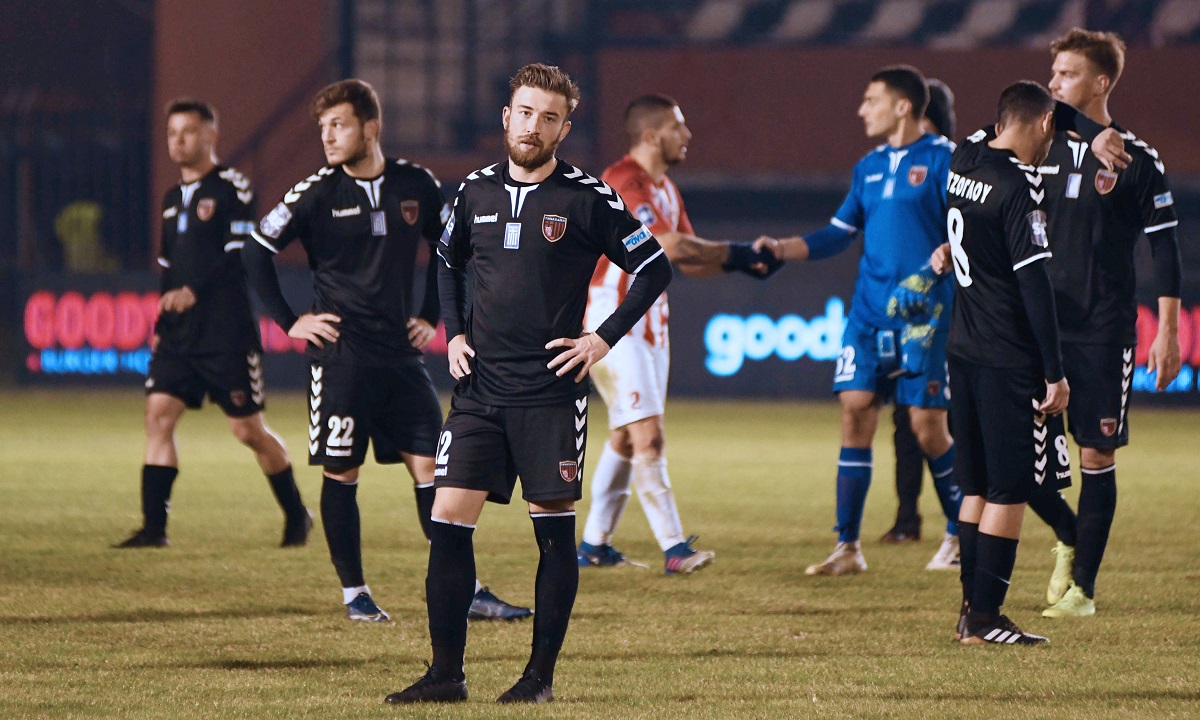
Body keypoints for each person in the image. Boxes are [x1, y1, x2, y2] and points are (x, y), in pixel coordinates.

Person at [386, 63, 673, 705]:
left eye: (549, 118)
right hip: (479, 389)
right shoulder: (474, 191)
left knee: (552, 529)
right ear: (506, 116)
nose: (533, 126)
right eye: (524, 113)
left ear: (564, 129)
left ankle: (538, 679)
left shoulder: (588, 197)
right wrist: (454, 333)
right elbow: (447, 260)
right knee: (447, 519)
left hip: (550, 393)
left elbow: (654, 268)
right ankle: (446, 676)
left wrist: (601, 339)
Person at [242, 79, 529, 623]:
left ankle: (465, 591)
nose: (328, 136)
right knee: (342, 472)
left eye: (339, 125)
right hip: (342, 359)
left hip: (401, 359)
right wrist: (291, 321)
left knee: (435, 469)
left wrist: (429, 315)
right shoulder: (315, 192)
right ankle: (356, 595)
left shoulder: (415, 183)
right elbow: (256, 250)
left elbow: (448, 250)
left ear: (370, 127)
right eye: (323, 127)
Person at [756, 66, 963, 574]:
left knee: (927, 428)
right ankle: (847, 548)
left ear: (902, 106)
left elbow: (971, 228)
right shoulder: (867, 167)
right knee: (854, 411)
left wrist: (948, 252)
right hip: (868, 314)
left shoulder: (945, 160)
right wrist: (782, 248)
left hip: (923, 316)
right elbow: (838, 233)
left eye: (871, 100)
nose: (861, 110)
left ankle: (962, 534)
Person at [577, 93, 781, 573]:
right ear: (651, 135)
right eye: (678, 126)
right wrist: (736, 252)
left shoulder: (665, 188)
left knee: (627, 438)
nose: (687, 135)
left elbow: (688, 260)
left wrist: (744, 264)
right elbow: (666, 244)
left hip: (650, 324)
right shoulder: (623, 181)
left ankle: (593, 546)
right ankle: (674, 549)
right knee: (648, 437)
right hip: (614, 321)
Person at [1031, 29, 1182, 619]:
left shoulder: (1138, 161)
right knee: (1009, 452)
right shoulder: (1036, 142)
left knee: (1094, 455)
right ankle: (1070, 533)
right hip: (1038, 324)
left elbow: (1165, 249)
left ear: (1100, 82)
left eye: (1066, 74)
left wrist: (1167, 332)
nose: (1053, 82)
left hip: (1101, 328)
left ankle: (1083, 591)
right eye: (1054, 71)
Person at [115, 98, 311, 550]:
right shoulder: (171, 199)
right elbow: (168, 268)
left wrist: (194, 291)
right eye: (171, 133)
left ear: (210, 135)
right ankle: (154, 529)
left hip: (226, 332)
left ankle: (296, 513)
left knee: (247, 431)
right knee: (158, 416)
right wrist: (162, 321)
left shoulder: (233, 189)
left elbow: (239, 254)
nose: (177, 141)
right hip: (179, 334)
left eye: (187, 131)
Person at [943, 80, 1069, 645]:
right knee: (1008, 489)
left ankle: (970, 612)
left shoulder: (964, 158)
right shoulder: (1019, 187)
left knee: (974, 486)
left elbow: (985, 129)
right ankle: (987, 619)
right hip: (1006, 355)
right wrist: (1054, 371)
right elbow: (1035, 286)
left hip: (962, 350)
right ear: (1044, 122)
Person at [881, 77, 958, 545]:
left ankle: (962, 522)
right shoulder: (890, 171)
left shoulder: (949, 167)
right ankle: (907, 516)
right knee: (904, 420)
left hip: (944, 312)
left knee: (939, 421)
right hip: (902, 312)